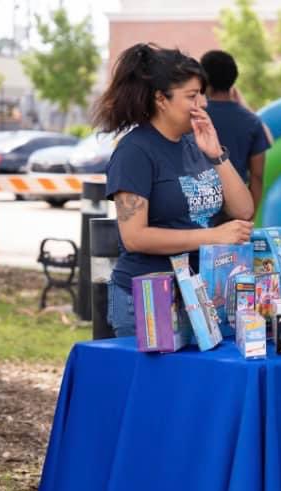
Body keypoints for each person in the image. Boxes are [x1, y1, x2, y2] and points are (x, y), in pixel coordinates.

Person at [93, 43, 254, 337]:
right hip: (145, 299)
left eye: (202, 94)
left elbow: (243, 210)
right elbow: (134, 236)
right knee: (153, 383)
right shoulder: (135, 151)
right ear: (161, 99)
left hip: (197, 295)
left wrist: (217, 154)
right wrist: (212, 236)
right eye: (192, 96)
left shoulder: (196, 144)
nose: (202, 103)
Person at [200, 50, 271, 216]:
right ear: (234, 77)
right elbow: (257, 176)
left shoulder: (196, 117)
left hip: (197, 205)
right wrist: (249, 217)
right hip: (235, 208)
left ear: (204, 79)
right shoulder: (251, 121)